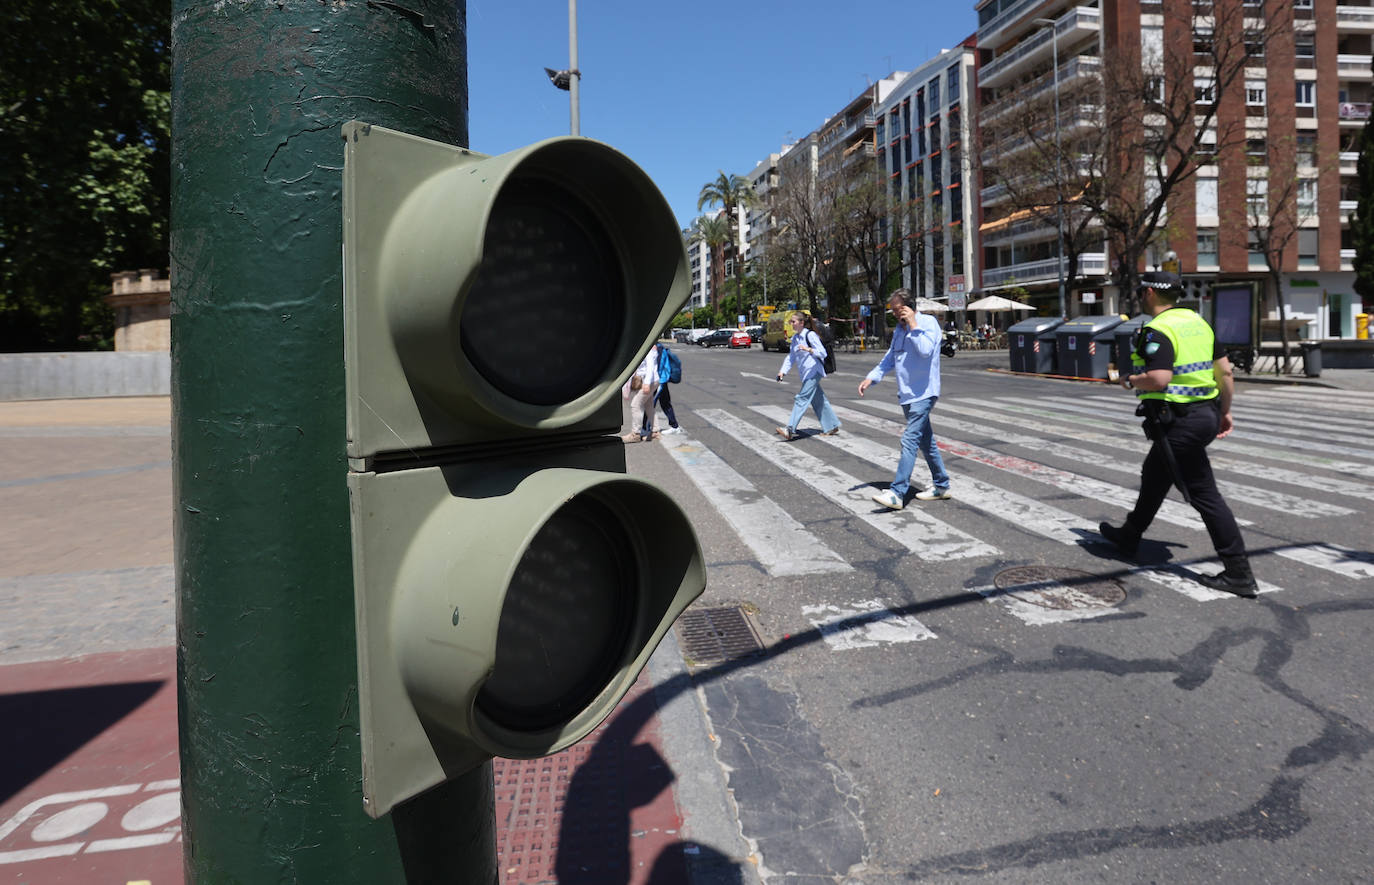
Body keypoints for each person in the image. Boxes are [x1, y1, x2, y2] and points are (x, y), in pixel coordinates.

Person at [1098, 271, 1259, 597]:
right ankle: (1130, 535)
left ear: (1149, 295)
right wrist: (1225, 411)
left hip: (1180, 421)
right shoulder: (1200, 324)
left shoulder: (1158, 329)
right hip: (1205, 416)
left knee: (1204, 495)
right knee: (1155, 473)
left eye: (1142, 291)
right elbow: (1225, 372)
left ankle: (1239, 572)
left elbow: (1158, 378)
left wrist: (1129, 380)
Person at [858, 289, 951, 510]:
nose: (895, 314)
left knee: (909, 439)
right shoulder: (899, 330)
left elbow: (926, 351)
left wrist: (913, 325)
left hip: (925, 392)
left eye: (898, 309)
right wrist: (871, 378)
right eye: (893, 310)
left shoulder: (928, 323)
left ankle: (897, 493)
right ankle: (941, 483)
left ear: (909, 307)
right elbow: (890, 357)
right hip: (907, 394)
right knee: (925, 441)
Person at [774, 311, 840, 440]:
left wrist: (809, 349)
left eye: (793, 321)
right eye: (791, 322)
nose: (791, 324)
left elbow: (822, 353)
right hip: (805, 373)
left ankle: (790, 429)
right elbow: (791, 357)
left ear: (801, 323)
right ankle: (832, 425)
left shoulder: (810, 335)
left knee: (802, 399)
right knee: (819, 400)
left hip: (814, 371)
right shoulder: (795, 338)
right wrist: (782, 371)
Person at [622, 345, 660, 443]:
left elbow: (650, 366)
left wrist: (646, 383)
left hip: (649, 381)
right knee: (649, 406)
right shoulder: (647, 346)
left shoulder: (647, 347)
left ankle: (636, 434)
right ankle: (655, 431)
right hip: (651, 380)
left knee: (635, 405)